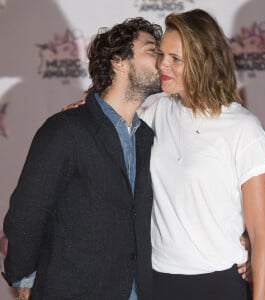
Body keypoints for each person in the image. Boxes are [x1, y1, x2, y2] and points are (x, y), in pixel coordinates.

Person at [2, 17, 162, 300]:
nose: (162, 60)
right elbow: (27, 213)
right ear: (119, 61)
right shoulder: (66, 129)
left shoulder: (148, 137)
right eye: (152, 50)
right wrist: (25, 277)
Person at [139, 9, 265, 300]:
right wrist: (84, 104)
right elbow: (108, 119)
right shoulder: (155, 111)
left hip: (217, 285)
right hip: (157, 282)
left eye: (175, 59)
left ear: (204, 61)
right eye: (161, 55)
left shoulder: (244, 129)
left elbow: (261, 236)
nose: (163, 64)